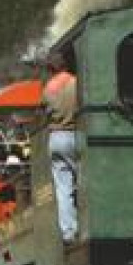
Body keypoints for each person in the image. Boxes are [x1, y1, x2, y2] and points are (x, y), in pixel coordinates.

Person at [43, 49, 81, 243]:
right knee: (82, 180)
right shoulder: (76, 83)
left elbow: (44, 111)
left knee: (63, 187)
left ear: (51, 68)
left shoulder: (49, 87)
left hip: (55, 137)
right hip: (75, 134)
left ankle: (69, 232)